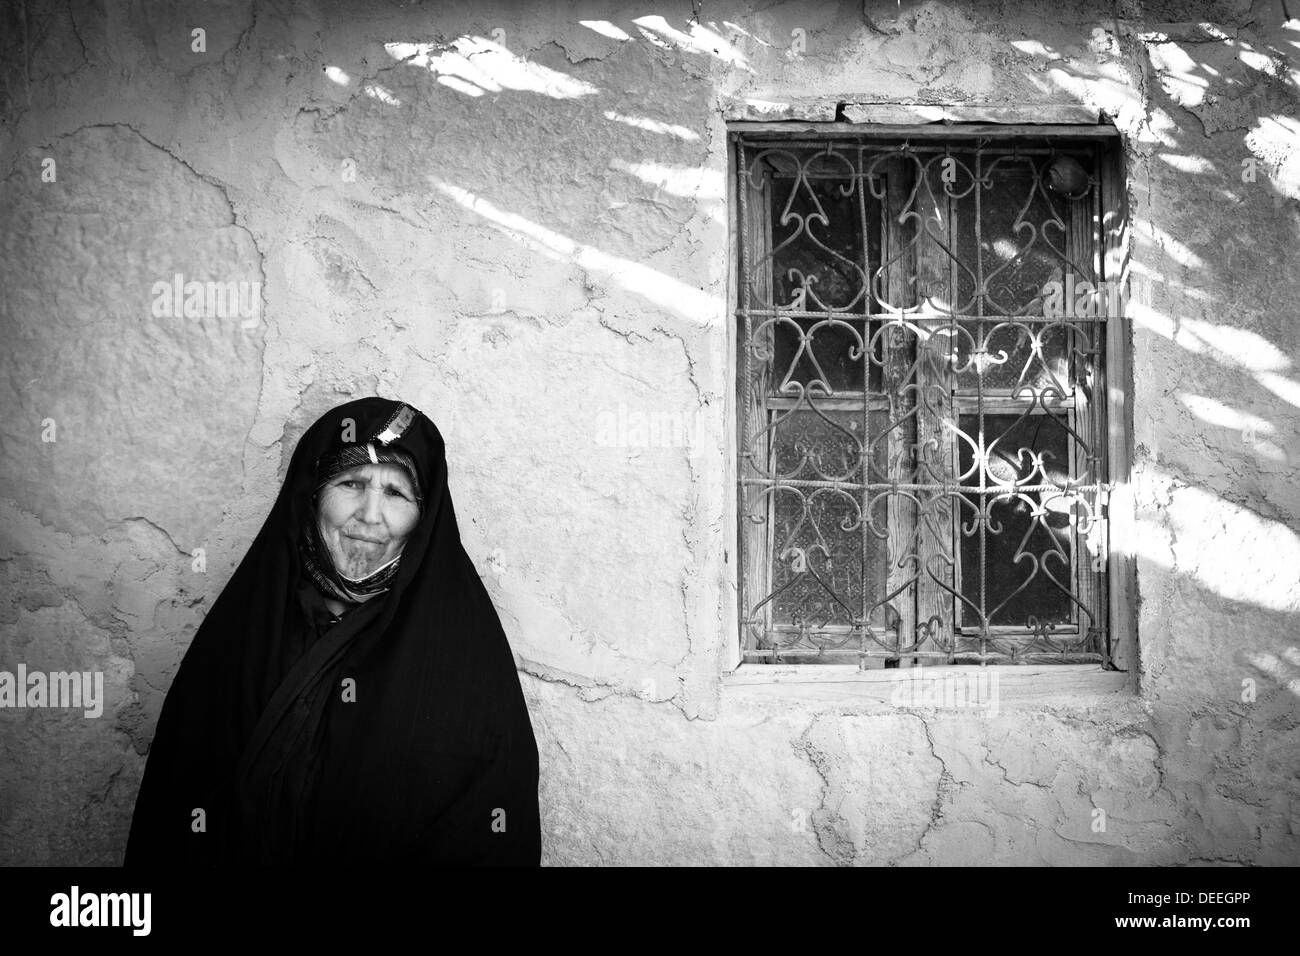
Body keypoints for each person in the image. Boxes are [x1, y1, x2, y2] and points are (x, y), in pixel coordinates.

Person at [124, 397, 540, 865]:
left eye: (397, 494)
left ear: (423, 519)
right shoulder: (243, 634)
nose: (370, 514)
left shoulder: (462, 656)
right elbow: (180, 804)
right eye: (351, 483)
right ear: (312, 496)